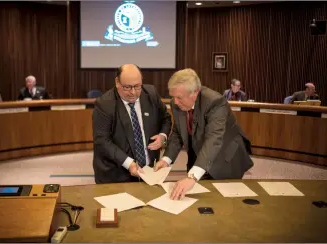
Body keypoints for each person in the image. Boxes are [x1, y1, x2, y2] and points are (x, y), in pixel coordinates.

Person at [154, 68, 253, 200]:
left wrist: (192, 176)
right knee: (196, 198)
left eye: (179, 97)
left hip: (226, 156)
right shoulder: (176, 103)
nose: (175, 102)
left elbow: (214, 139)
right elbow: (178, 133)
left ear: (194, 93)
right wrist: (166, 160)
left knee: (223, 201)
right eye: (173, 96)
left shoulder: (215, 102)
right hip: (199, 152)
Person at [92, 64, 172, 184]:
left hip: (149, 171)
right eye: (127, 87)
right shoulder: (104, 104)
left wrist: (163, 136)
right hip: (116, 174)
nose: (133, 92)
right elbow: (102, 141)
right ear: (117, 82)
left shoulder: (151, 94)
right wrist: (129, 163)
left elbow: (166, 118)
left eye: (137, 86)